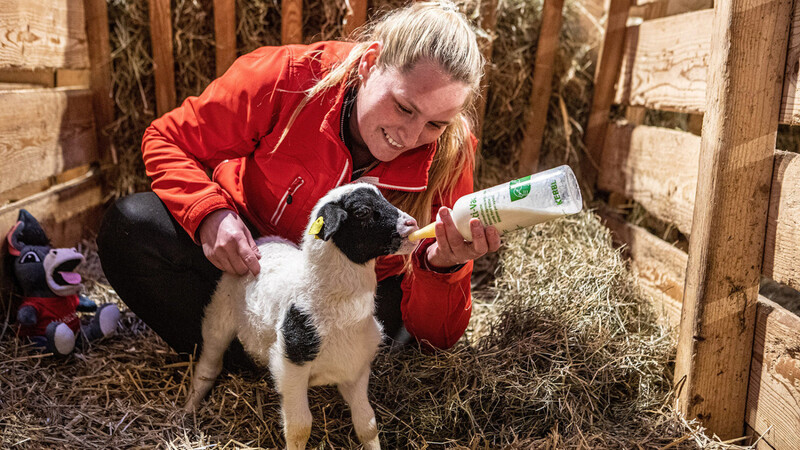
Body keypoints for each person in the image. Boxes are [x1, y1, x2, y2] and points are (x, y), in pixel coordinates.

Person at [97, 1, 501, 368]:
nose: (411, 137)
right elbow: (167, 138)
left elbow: (438, 339)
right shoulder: (287, 77)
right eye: (403, 106)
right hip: (250, 264)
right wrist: (210, 215)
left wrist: (441, 267)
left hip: (346, 308)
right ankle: (253, 366)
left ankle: (283, 372)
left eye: (435, 123)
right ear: (370, 62)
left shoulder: (451, 151)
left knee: (397, 321)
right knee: (131, 224)